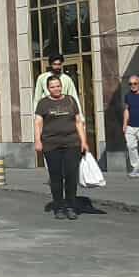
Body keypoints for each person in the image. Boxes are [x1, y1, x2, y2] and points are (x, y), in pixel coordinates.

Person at [33, 71, 89, 219]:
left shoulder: (70, 100)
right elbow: (38, 123)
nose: (56, 89)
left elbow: (78, 122)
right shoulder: (43, 103)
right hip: (51, 145)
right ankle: (58, 206)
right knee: (56, 176)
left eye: (58, 86)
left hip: (72, 143)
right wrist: (38, 141)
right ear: (48, 88)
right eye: (52, 87)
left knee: (71, 175)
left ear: (61, 86)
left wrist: (83, 141)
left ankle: (70, 206)